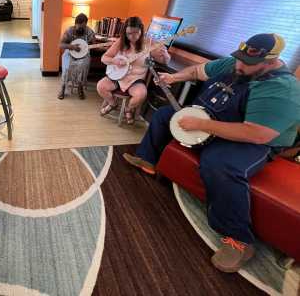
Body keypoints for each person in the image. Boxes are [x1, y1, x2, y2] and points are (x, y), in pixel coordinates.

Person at [123, 33, 300, 272]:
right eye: (239, 58)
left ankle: (240, 240)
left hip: (254, 141)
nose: (238, 65)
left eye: (247, 63)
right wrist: (173, 76)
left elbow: (257, 134)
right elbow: (198, 72)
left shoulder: (282, 89)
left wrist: (202, 126)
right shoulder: (234, 64)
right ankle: (148, 161)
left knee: (219, 164)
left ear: (270, 61)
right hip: (216, 121)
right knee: (166, 116)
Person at [97, 16, 170, 124]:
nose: (132, 36)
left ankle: (128, 108)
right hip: (118, 76)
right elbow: (104, 58)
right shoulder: (121, 42)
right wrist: (115, 61)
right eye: (129, 33)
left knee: (141, 94)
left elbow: (164, 61)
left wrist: (165, 55)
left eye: (136, 33)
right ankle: (112, 103)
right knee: (101, 86)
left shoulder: (149, 43)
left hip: (135, 79)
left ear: (141, 30)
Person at [58, 13, 98, 100]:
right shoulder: (69, 30)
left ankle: (80, 87)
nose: (81, 29)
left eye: (83, 27)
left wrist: (88, 45)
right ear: (75, 24)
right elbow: (61, 44)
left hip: (84, 55)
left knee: (83, 66)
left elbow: (93, 43)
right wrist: (72, 47)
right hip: (70, 52)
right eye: (79, 27)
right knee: (67, 66)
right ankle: (63, 87)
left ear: (86, 24)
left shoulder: (89, 31)